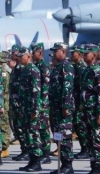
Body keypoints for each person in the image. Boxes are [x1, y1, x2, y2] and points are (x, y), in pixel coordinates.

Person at [49, 42, 74, 174]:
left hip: (64, 108)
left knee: (65, 136)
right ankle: (62, 165)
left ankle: (68, 166)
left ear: (63, 52)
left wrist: (66, 106)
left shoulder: (66, 66)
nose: (53, 53)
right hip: (56, 108)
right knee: (58, 136)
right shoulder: (57, 67)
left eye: (56, 51)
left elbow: (68, 88)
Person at [17, 47, 43, 172]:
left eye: (22, 56)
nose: (20, 58)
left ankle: (37, 162)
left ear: (28, 57)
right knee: (27, 135)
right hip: (25, 108)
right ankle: (31, 161)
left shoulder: (33, 70)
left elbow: (36, 92)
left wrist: (35, 110)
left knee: (33, 135)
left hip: (31, 109)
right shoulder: (25, 70)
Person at [80, 44, 100, 173]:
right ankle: (93, 164)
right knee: (90, 139)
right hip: (87, 111)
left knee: (97, 139)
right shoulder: (86, 70)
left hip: (95, 111)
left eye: (86, 53)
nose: (83, 55)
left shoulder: (97, 71)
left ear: (93, 54)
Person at [31, 43, 52, 164]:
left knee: (43, 129)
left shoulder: (44, 67)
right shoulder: (36, 66)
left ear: (40, 53)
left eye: (34, 52)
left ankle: (46, 153)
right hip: (38, 103)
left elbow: (45, 87)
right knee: (38, 128)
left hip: (43, 103)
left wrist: (42, 104)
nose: (33, 55)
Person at [9, 44, 29, 161]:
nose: (13, 54)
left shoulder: (22, 68)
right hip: (15, 102)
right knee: (17, 127)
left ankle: (27, 150)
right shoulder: (16, 67)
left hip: (21, 103)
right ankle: (24, 149)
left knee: (22, 128)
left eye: (15, 52)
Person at [70, 45, 90, 159]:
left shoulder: (82, 68)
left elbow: (82, 87)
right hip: (75, 101)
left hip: (81, 102)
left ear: (80, 54)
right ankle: (84, 148)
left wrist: (82, 104)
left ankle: (86, 149)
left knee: (81, 125)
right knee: (77, 125)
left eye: (74, 53)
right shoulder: (75, 67)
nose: (72, 55)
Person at [0, 51, 11, 158]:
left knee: (4, 125)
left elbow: (4, 89)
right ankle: (1, 146)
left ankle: (5, 148)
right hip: (0, 102)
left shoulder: (4, 72)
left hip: (4, 102)